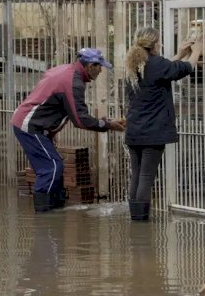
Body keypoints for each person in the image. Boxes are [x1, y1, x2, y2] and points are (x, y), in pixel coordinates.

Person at [11, 48, 126, 213]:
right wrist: (108, 126)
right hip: (30, 126)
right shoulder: (73, 81)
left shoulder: (67, 72)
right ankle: (44, 216)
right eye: (99, 66)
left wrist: (51, 134)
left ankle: (56, 210)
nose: (101, 71)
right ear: (90, 65)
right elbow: (80, 120)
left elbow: (55, 105)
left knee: (54, 166)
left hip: (35, 125)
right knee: (51, 167)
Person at [123, 27, 202, 221]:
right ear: (154, 44)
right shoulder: (156, 64)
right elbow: (186, 68)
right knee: (146, 177)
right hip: (153, 132)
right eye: (160, 42)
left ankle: (136, 218)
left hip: (134, 131)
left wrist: (180, 54)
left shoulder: (134, 64)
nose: (162, 45)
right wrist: (198, 50)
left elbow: (163, 71)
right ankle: (141, 222)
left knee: (137, 175)